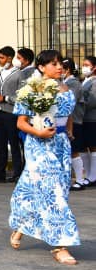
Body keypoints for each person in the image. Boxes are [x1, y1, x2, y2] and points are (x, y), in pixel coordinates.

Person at [8, 50, 80, 265]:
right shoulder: (31, 89)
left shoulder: (66, 88)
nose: (59, 67)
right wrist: (38, 132)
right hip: (39, 145)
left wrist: (68, 129)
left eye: (60, 63)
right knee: (53, 192)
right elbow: (21, 122)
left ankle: (21, 225)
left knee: (39, 188)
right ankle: (60, 246)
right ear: (41, 67)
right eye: (53, 64)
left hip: (61, 145)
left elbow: (69, 114)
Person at [0, 47, 21, 184]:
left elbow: (21, 96)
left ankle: (17, 173)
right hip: (0, 113)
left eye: (2, 57)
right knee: (0, 145)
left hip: (11, 113)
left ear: (9, 58)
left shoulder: (18, 74)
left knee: (14, 145)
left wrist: (5, 98)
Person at [62, 58, 86, 190]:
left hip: (73, 120)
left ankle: (80, 180)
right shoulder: (65, 82)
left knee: (74, 151)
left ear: (67, 70)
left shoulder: (73, 83)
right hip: (65, 121)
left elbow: (70, 103)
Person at [80, 55, 96, 186]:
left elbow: (92, 101)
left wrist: (79, 104)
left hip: (92, 118)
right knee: (84, 147)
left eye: (86, 65)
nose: (84, 67)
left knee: (93, 147)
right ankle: (89, 175)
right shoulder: (85, 80)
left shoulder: (94, 82)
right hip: (83, 118)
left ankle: (93, 176)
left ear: (94, 67)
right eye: (83, 64)